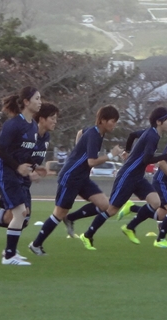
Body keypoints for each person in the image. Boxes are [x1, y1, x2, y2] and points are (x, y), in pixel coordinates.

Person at [28, 106, 124, 255]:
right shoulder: (94, 135)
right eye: (113, 121)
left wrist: (77, 149)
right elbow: (92, 162)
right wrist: (112, 155)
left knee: (105, 205)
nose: (115, 125)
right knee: (59, 213)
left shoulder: (95, 132)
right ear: (103, 121)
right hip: (71, 176)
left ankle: (71, 218)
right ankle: (35, 244)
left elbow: (80, 132)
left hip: (82, 177)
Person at [78, 107, 167, 250]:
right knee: (111, 210)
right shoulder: (152, 136)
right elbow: (147, 159)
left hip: (138, 177)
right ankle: (87, 235)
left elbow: (132, 135)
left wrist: (128, 151)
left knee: (157, 202)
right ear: (159, 122)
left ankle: (130, 225)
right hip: (127, 176)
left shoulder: (150, 133)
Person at [0, 87, 42, 265]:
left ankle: (10, 253)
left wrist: (32, 167)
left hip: (16, 175)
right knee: (20, 212)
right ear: (26, 102)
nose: (40, 102)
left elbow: (23, 153)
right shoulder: (14, 124)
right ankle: (9, 256)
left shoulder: (32, 125)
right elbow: (1, 149)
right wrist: (17, 167)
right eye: (37, 98)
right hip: (6, 173)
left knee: (20, 214)